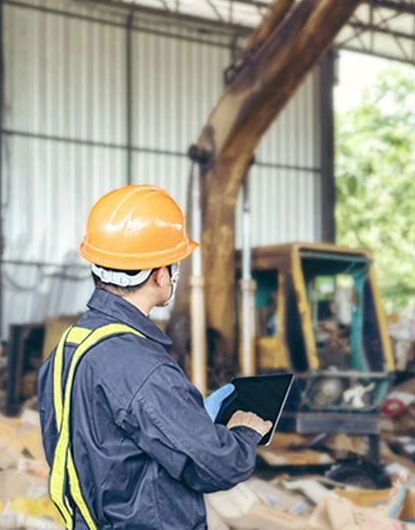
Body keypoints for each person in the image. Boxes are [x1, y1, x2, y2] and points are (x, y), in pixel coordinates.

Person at [37, 184, 271, 529]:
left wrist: (185, 416)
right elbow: (215, 466)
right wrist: (244, 434)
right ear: (161, 274)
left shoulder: (69, 347)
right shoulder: (143, 367)